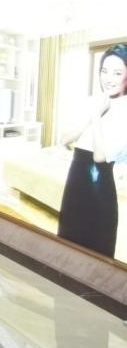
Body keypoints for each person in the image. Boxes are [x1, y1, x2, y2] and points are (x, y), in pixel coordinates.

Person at [58, 44, 127, 257]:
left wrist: (97, 115)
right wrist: (92, 112)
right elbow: (65, 138)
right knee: (67, 244)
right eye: (104, 71)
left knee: (95, 252)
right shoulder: (92, 101)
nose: (109, 78)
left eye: (117, 73)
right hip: (75, 182)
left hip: (99, 187)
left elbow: (100, 157)